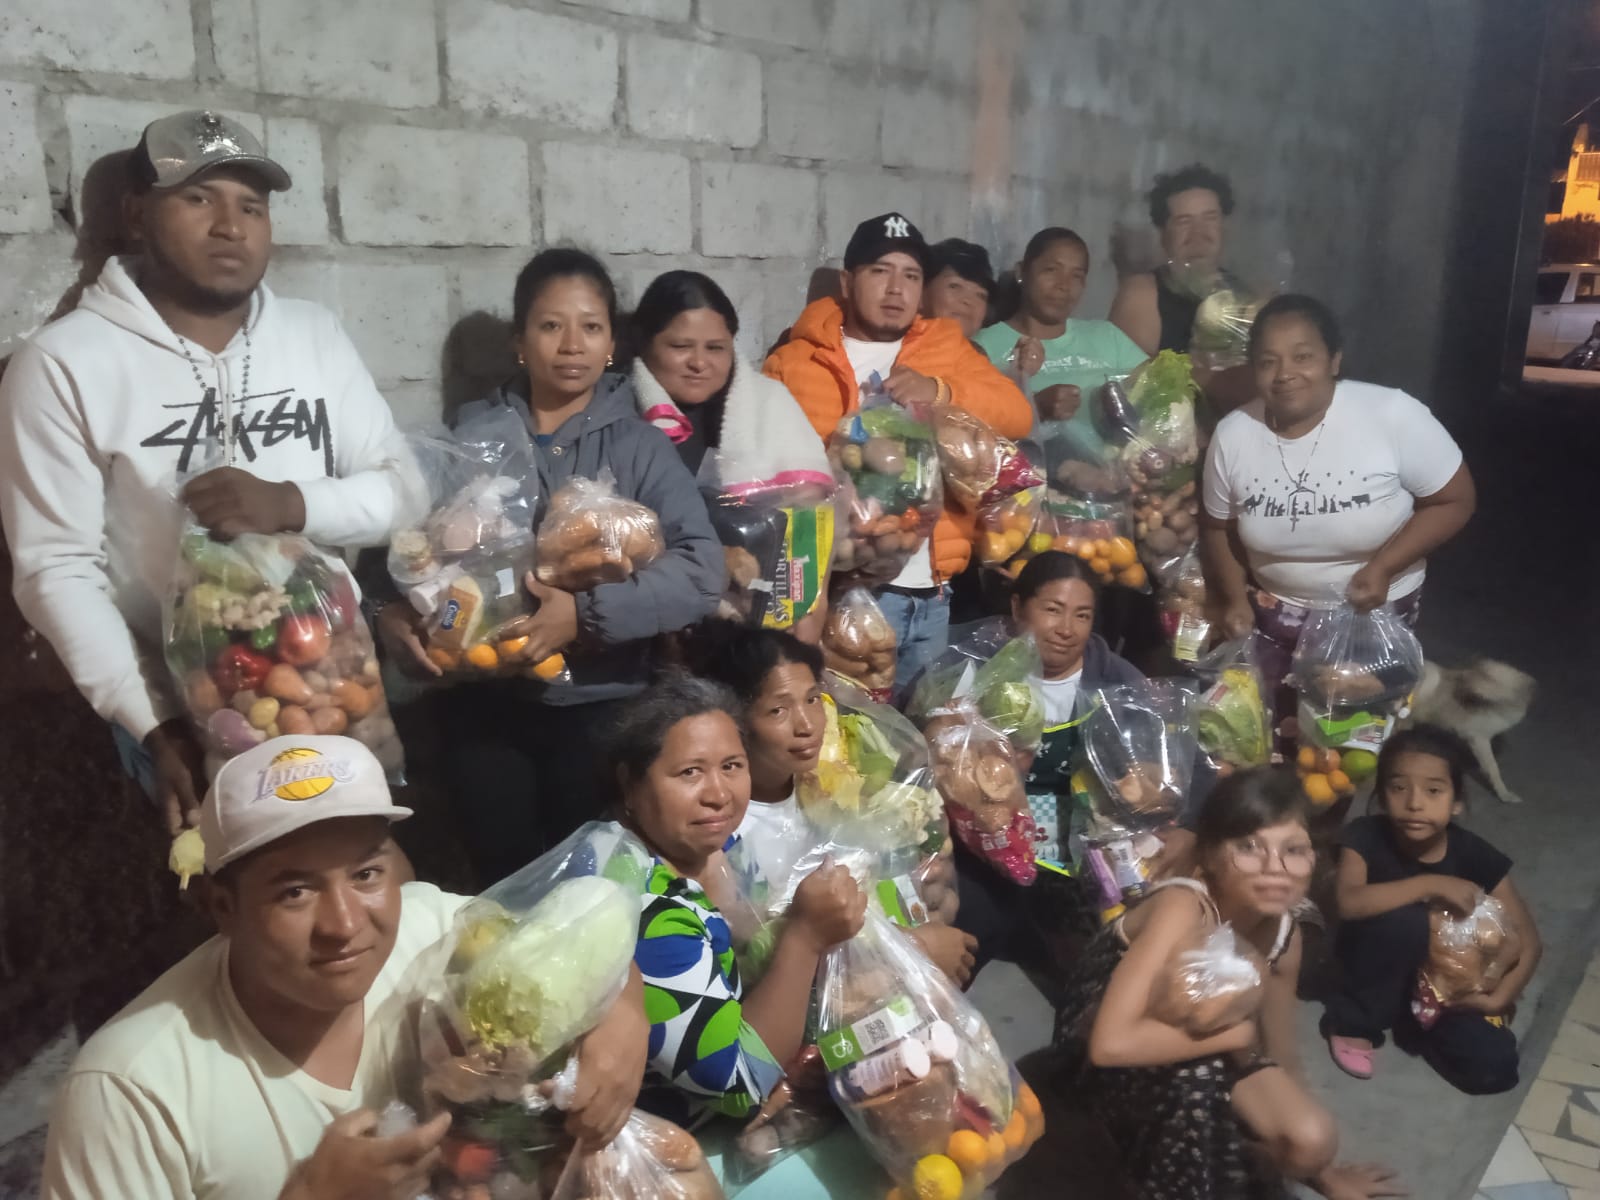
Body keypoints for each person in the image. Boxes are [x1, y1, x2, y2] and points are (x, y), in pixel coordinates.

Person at [0, 111, 407, 838]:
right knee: (222, 890)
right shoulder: (62, 364)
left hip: (332, 685)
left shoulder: (313, 335)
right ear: (135, 215)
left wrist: (293, 504)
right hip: (181, 708)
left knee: (356, 880)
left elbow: (403, 491)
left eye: (252, 206)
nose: (230, 226)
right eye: (198, 198)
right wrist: (152, 719)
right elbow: (54, 568)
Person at [40, 734, 649, 1200]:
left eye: (365, 874)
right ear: (222, 907)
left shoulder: (430, 928)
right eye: (295, 892)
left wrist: (625, 1016)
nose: (344, 923)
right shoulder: (131, 1090)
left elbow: (584, 949)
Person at [378, 249, 724, 884]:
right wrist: (394, 617)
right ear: (519, 341)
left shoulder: (638, 447)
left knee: (591, 885)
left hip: (603, 707)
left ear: (612, 345)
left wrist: (584, 616)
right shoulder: (468, 439)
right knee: (501, 879)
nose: (571, 345)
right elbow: (408, 552)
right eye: (550, 326)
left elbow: (702, 571)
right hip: (484, 705)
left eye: (591, 327)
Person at [1049, 767, 1404, 1200]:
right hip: (1091, 1053)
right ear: (1212, 857)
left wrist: (1325, 1174)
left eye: (1294, 850)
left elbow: (1280, 1052)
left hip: (1198, 1040)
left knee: (1310, 1139)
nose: (1275, 869)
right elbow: (1109, 1045)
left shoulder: (1284, 937)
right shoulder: (1182, 906)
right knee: (1198, 1083)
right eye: (1249, 848)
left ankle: (1220, 1155)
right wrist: (1235, 1035)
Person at [763, 212, 1032, 688]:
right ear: (847, 281)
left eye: (910, 276)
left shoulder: (944, 346)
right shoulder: (795, 360)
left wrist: (939, 390)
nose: (896, 289)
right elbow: (766, 474)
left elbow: (1016, 412)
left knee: (920, 725)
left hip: (930, 594)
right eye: (880, 271)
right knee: (849, 725)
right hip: (837, 592)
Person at [1199, 294, 1475, 751]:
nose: (1285, 373)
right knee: (1273, 743)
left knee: (1350, 752)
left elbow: (1454, 500)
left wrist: (1383, 567)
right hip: (1275, 617)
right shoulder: (1233, 436)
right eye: (1268, 361)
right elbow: (1216, 526)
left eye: (1302, 356)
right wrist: (1232, 599)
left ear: (1334, 360)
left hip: (1372, 617)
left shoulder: (1391, 415)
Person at [601, 674, 867, 1124]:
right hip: (676, 1134)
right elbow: (739, 1084)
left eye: (731, 766)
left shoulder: (718, 848)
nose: (719, 794)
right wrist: (805, 938)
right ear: (630, 785)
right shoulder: (646, 908)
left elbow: (760, 957)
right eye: (690, 772)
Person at [687, 621, 979, 986]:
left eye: (812, 699)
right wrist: (914, 948)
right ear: (734, 721)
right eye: (778, 710)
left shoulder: (825, 780)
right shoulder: (724, 832)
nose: (807, 725)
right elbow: (764, 957)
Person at [951, 552, 1143, 983]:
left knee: (1100, 966)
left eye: (1082, 615)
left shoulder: (1118, 683)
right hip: (989, 850)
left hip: (1079, 859)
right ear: (1018, 607)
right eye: (1053, 609)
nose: (1066, 629)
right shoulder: (977, 669)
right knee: (968, 929)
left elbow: (1162, 773)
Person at [1323, 726, 1538, 1093]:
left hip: (1445, 985)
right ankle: (1355, 1022)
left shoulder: (1473, 853)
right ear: (1381, 795)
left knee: (1495, 1068)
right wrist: (1430, 885)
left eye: (1434, 790)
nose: (1415, 803)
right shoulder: (1364, 836)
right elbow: (1349, 903)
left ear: (1457, 802)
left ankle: (1419, 1025)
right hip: (1372, 970)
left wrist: (1501, 996)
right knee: (1407, 921)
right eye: (1398, 788)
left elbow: (1529, 941)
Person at [628, 269, 832, 489]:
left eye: (715, 348)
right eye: (681, 346)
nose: (699, 363)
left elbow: (811, 498)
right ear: (644, 343)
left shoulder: (770, 404)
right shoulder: (616, 410)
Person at [1108, 163, 1256, 413]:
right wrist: (1216, 379)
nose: (1198, 233)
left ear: (1225, 226)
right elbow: (1128, 379)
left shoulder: (1244, 296)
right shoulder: (1142, 293)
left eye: (1210, 218)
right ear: (1163, 234)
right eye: (1183, 221)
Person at [974, 226, 1147, 439]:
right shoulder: (983, 347)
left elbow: (1159, 394)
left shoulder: (1108, 338)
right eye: (1051, 270)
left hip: (1123, 460)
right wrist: (1034, 408)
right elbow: (969, 426)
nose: (1063, 285)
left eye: (1076, 276)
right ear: (1021, 273)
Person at [921, 237, 996, 340]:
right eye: (955, 286)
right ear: (922, 289)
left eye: (980, 295)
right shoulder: (899, 346)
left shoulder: (986, 349)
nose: (968, 300)